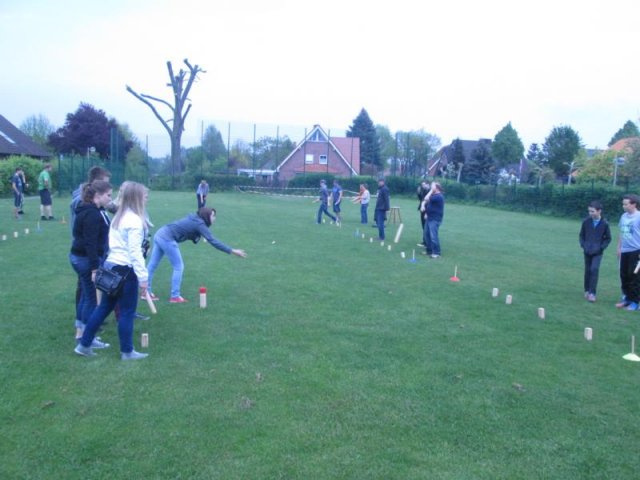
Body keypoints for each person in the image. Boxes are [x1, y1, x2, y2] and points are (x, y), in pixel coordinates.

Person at [75, 181, 150, 360]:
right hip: (125, 270)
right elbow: (134, 252)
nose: (146, 199)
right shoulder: (133, 220)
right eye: (144, 196)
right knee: (127, 312)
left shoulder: (120, 215)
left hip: (111, 267)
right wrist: (143, 277)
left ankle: (84, 345)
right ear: (136, 198)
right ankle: (127, 351)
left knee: (103, 308)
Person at [147, 207, 247, 303]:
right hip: (167, 238)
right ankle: (175, 297)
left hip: (160, 233)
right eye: (213, 216)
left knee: (153, 265)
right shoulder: (199, 224)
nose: (214, 218)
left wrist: (203, 235)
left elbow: (193, 231)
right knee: (178, 266)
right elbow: (213, 241)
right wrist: (232, 251)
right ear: (206, 216)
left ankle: (146, 292)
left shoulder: (195, 218)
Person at [69, 180, 113, 345]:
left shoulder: (90, 209)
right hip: (85, 260)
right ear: (97, 195)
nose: (110, 198)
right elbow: (90, 243)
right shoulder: (91, 214)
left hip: (79, 257)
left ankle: (80, 331)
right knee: (91, 300)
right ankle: (88, 337)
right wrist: (95, 268)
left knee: (85, 297)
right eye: (108, 195)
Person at [579, 201, 612, 303]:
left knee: (594, 269)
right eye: (589, 211)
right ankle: (587, 290)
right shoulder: (586, 222)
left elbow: (608, 238)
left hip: (597, 252)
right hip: (587, 250)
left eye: (592, 211)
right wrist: (583, 245)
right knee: (588, 270)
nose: (590, 213)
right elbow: (581, 236)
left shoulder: (605, 224)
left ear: (599, 211)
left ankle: (592, 293)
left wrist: (601, 247)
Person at [616, 194, 640, 311]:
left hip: (636, 251)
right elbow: (621, 233)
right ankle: (627, 299)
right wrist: (619, 248)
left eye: (626, 204)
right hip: (624, 251)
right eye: (623, 204)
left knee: (634, 276)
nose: (623, 206)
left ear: (634, 204)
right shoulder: (623, 216)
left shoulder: (639, 217)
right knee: (624, 276)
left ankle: (636, 302)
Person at [423, 182, 444, 258]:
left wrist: (431, 191)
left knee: (433, 236)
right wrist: (426, 213)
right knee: (426, 235)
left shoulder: (438, 196)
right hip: (429, 218)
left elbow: (426, 198)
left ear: (437, 188)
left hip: (435, 219)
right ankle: (429, 251)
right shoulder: (434, 195)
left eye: (433, 186)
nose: (431, 187)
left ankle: (437, 253)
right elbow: (429, 204)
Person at [416, 180, 430, 246]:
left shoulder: (430, 191)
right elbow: (421, 200)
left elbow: (428, 202)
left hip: (427, 211)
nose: (423, 186)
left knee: (426, 227)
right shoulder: (424, 191)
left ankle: (427, 243)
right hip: (422, 210)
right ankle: (425, 241)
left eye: (424, 185)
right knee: (423, 226)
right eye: (422, 185)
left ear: (428, 184)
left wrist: (427, 212)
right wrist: (418, 193)